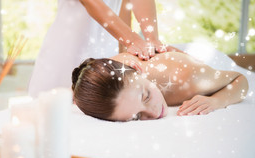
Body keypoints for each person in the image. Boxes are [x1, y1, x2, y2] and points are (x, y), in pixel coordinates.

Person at [28, 0, 168, 98]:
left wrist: (151, 39)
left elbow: (126, 9)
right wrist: (133, 40)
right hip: (64, 57)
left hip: (106, 60)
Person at [71, 51, 249, 121]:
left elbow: (240, 79)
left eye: (146, 96)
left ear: (137, 69)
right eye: (137, 116)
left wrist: (215, 101)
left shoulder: (188, 79)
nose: (155, 113)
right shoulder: (110, 85)